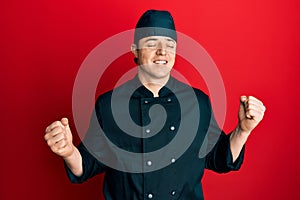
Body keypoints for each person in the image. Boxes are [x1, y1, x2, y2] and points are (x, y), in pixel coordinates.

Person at [44, 10, 266, 199]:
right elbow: (86, 165)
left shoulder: (197, 102)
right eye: (152, 43)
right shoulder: (108, 105)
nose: (162, 51)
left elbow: (219, 158)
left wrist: (243, 130)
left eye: (169, 44)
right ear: (135, 50)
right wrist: (68, 151)